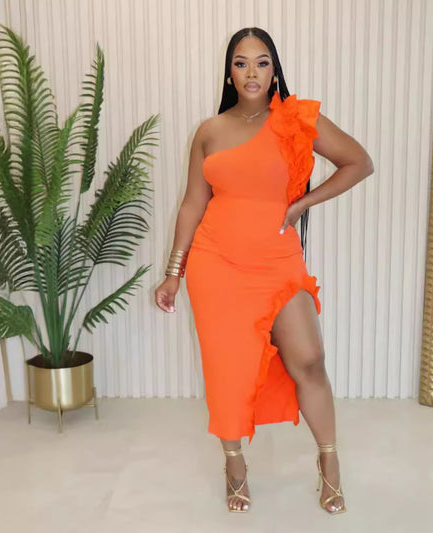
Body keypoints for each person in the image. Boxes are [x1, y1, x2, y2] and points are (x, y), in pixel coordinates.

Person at [155, 27, 373, 514]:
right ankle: (234, 467)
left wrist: (302, 204)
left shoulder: (296, 119)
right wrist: (174, 271)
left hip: (277, 260)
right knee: (228, 371)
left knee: (309, 359)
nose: (251, 72)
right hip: (216, 264)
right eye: (241, 63)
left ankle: (329, 461)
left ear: (275, 70)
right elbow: (192, 203)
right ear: (229, 74)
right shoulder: (210, 131)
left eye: (261, 62)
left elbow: (359, 162)